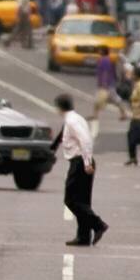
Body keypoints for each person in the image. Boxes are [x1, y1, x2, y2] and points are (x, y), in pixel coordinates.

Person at [55, 94, 107, 246]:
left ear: (59, 107)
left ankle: (98, 224)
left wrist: (87, 162)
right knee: (83, 200)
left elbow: (85, 140)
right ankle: (83, 236)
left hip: (80, 162)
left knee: (71, 200)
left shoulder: (71, 121)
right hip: (81, 161)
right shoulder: (75, 118)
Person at [94, 51, 128, 120]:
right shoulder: (112, 58)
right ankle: (95, 115)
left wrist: (104, 83)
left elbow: (106, 72)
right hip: (109, 83)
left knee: (114, 100)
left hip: (109, 84)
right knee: (101, 100)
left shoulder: (112, 58)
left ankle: (124, 114)